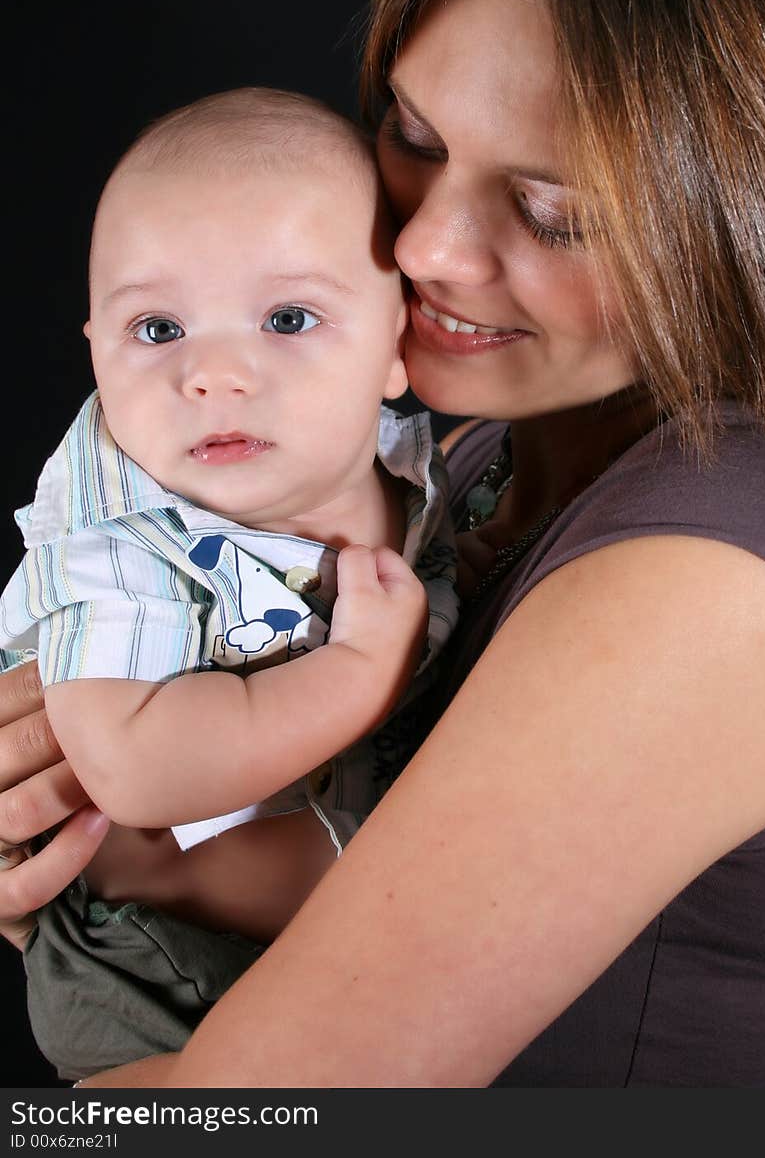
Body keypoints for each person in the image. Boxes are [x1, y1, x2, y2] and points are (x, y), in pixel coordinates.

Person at [2, 0, 765, 1088]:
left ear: (756, 228)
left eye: (556, 212)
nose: (420, 243)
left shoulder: (718, 572)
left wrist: (126, 854)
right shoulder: (460, 460)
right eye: (412, 134)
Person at [0, 86, 457, 1080]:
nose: (212, 373)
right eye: (157, 330)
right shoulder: (118, 546)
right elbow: (132, 766)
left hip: (358, 981)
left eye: (287, 317)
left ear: (396, 341)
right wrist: (356, 671)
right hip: (166, 980)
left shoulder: (425, 477)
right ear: (95, 351)